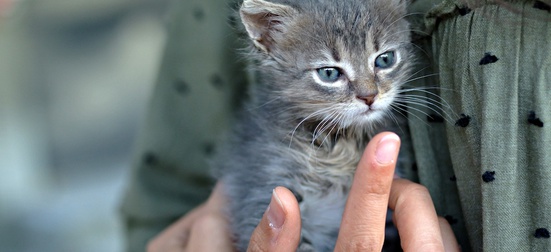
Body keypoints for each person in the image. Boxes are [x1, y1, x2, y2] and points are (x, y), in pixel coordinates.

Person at [120, 0, 551, 251]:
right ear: (268, 43)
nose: (369, 92)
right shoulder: (279, 144)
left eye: (384, 61)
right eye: (331, 73)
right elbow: (163, 205)